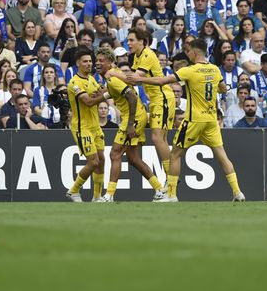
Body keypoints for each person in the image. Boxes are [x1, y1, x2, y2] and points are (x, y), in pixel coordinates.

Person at [129, 38, 245, 202]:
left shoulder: (190, 70)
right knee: (222, 156)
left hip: (193, 120)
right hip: (211, 119)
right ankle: (237, 192)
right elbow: (223, 89)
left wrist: (140, 80)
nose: (188, 54)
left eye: (189, 51)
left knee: (175, 154)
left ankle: (171, 195)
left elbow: (162, 81)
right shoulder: (214, 69)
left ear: (195, 52)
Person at [96, 50, 167, 202]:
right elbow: (119, 93)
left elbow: (132, 97)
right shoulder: (114, 75)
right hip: (137, 115)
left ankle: (109, 195)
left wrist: (130, 124)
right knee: (133, 158)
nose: (98, 63)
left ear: (110, 62)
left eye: (102, 61)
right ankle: (159, 189)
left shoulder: (112, 78)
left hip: (133, 118)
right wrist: (103, 94)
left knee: (115, 154)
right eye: (97, 60)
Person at [123, 27, 175, 185]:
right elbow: (132, 80)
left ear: (141, 41)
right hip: (156, 100)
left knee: (157, 138)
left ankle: (170, 179)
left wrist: (112, 74)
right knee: (161, 139)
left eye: (131, 40)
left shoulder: (147, 55)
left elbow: (135, 78)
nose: (128, 43)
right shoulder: (137, 57)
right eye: (128, 40)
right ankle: (171, 178)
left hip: (163, 97)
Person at [64, 47, 108, 203]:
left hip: (95, 126)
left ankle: (97, 196)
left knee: (101, 160)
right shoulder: (74, 83)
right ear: (78, 63)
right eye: (85, 61)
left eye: (90, 61)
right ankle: (73, 190)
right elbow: (89, 102)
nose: (89, 64)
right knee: (93, 162)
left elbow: (99, 92)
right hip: (82, 127)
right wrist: (106, 94)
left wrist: (105, 90)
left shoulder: (91, 79)